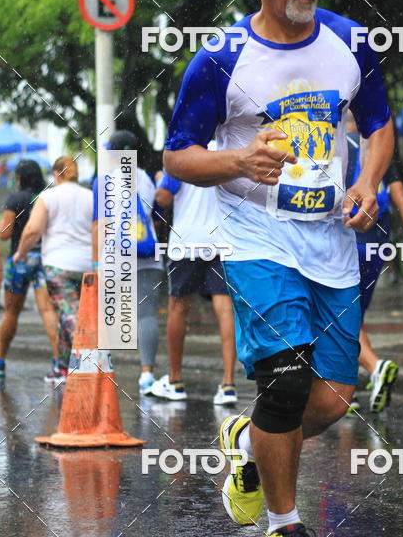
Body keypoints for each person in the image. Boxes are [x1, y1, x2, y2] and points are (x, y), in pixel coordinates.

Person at [163, 0, 394, 537]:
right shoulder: (221, 58)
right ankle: (283, 533)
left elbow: (378, 126)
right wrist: (239, 160)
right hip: (257, 239)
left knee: (332, 399)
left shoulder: (350, 41)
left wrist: (368, 181)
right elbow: (178, 156)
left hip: (331, 241)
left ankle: (246, 441)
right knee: (286, 381)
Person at [345, 120, 403, 414]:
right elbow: (402, 199)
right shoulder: (380, 151)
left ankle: (376, 368)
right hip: (377, 247)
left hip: (345, 242)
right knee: (352, 317)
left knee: (334, 315)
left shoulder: (334, 146)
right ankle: (346, 392)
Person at [151, 167, 237, 403]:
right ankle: (228, 384)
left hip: (185, 241)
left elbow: (163, 198)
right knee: (225, 309)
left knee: (178, 307)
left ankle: (175, 381)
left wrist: (161, 180)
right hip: (220, 240)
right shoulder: (224, 152)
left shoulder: (180, 156)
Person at [91, 130, 163, 395]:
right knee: (146, 314)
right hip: (147, 255)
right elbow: (155, 218)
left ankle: (103, 370)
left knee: (106, 313)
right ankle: (147, 375)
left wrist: (95, 263)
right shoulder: (147, 179)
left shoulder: (103, 181)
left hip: (114, 256)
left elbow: (99, 224)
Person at [13, 156, 93, 376]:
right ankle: (63, 369)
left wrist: (21, 252)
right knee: (73, 314)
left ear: (56, 173)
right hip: (86, 265)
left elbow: (33, 230)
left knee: (69, 316)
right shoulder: (91, 196)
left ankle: (86, 363)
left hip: (58, 265)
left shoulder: (48, 197)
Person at [0, 159, 60, 384]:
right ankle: (59, 364)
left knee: (11, 314)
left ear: (19, 178)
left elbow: (5, 233)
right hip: (44, 259)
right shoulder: (47, 196)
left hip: (20, 259)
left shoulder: (15, 199)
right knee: (48, 311)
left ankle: (0, 364)